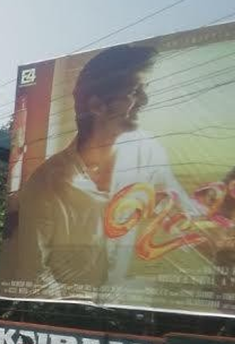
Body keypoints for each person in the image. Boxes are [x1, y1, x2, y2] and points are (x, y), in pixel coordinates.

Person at [11, 44, 206, 301]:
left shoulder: (147, 150)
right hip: (72, 321)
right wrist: (77, 316)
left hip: (133, 310)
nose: (144, 102)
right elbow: (32, 273)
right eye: (135, 92)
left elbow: (181, 209)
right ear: (97, 105)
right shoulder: (45, 186)